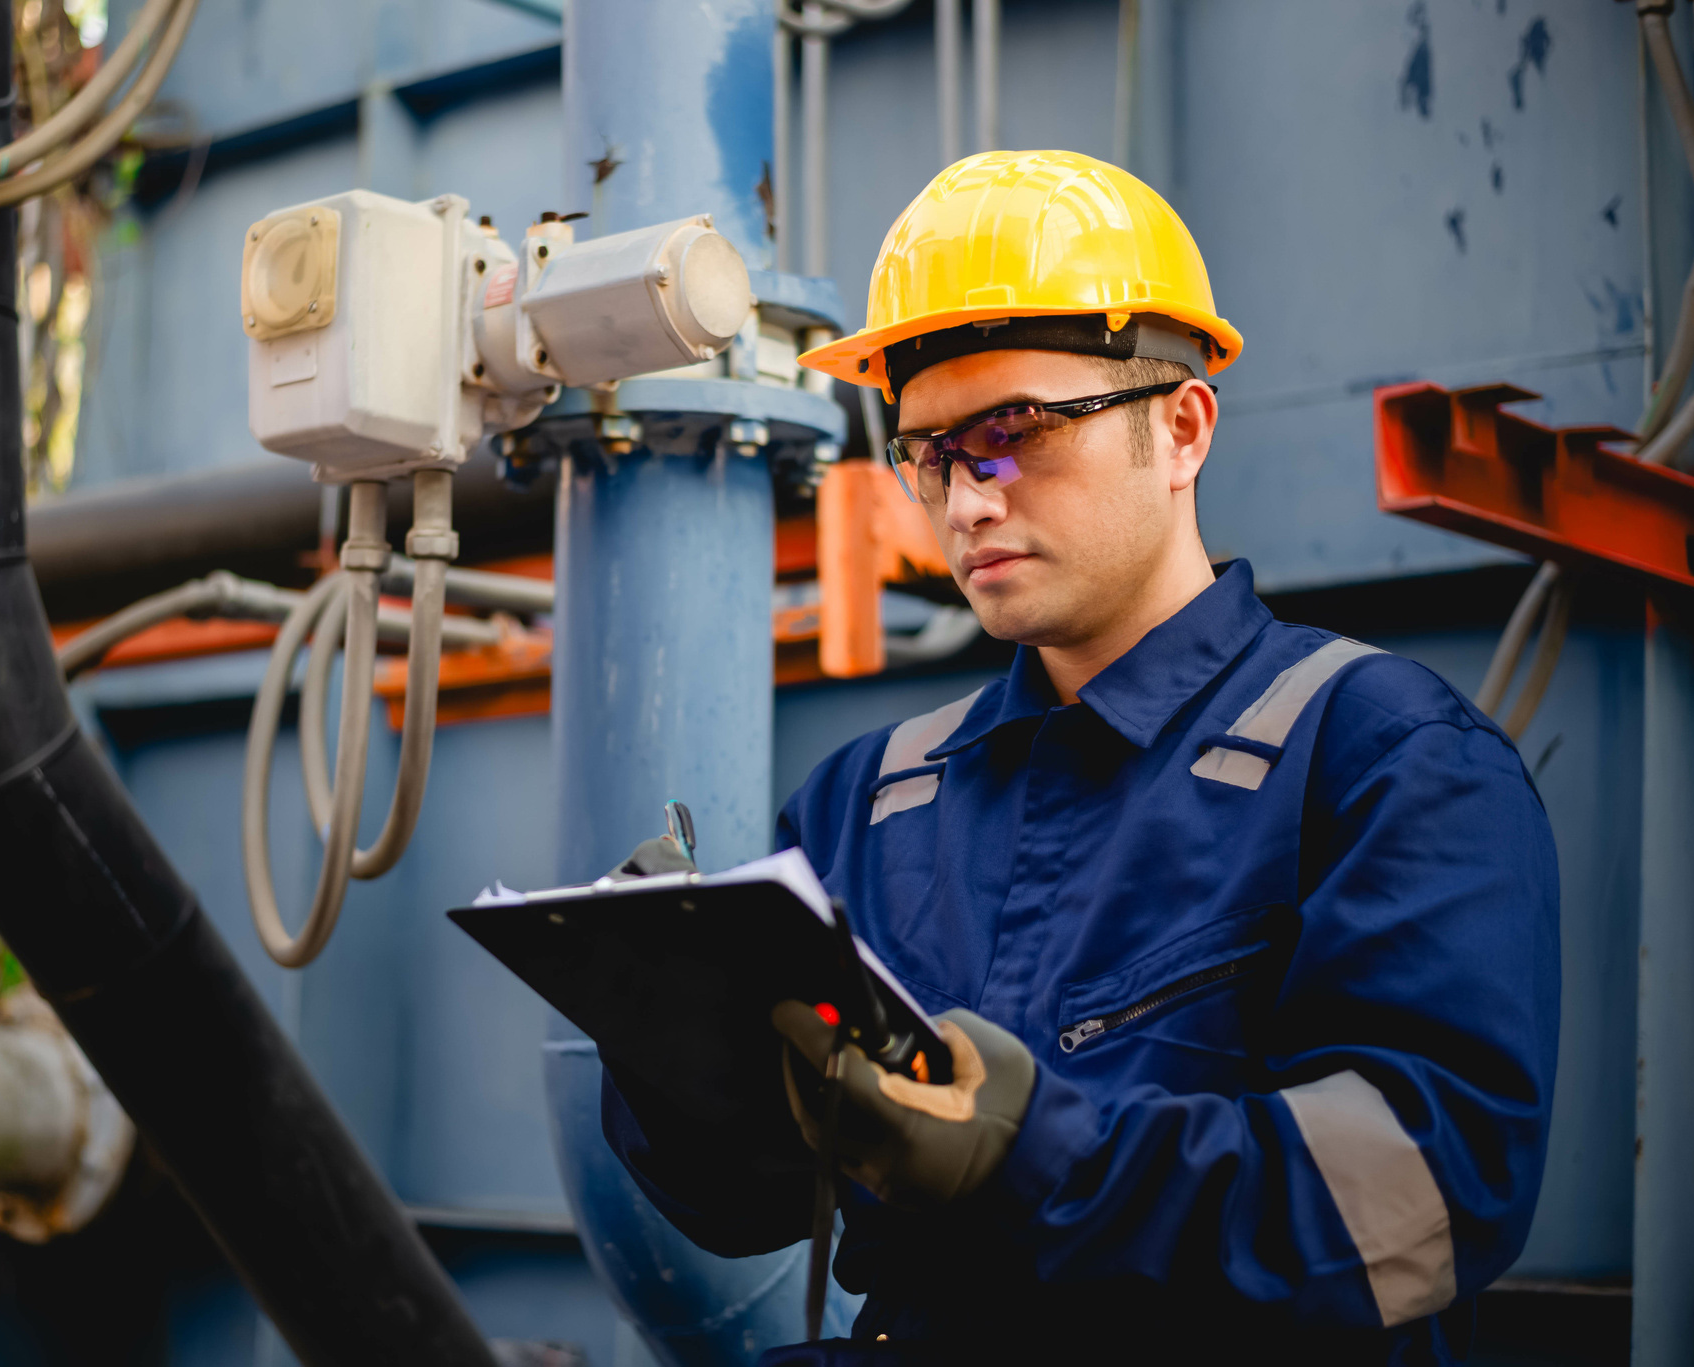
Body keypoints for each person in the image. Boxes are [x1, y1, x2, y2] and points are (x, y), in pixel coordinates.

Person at [598, 150, 1560, 1364]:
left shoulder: (1381, 759)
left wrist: (1028, 1148)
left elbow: (1424, 1199)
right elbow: (740, 1210)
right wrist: (666, 1045)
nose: (965, 502)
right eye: (931, 454)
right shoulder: (868, 803)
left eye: (1012, 433)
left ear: (1180, 427)